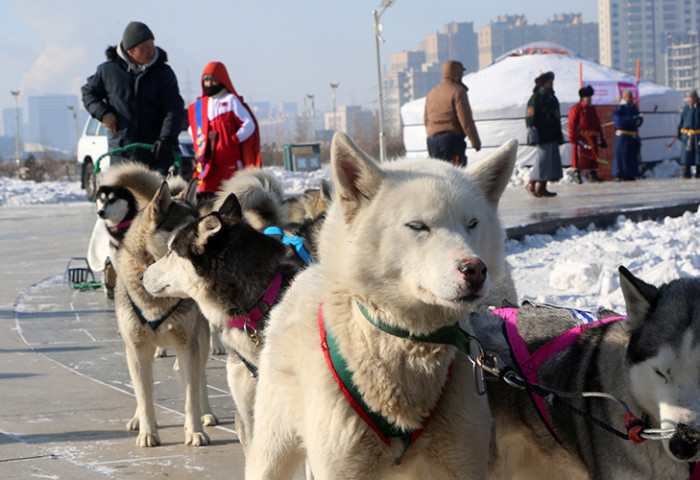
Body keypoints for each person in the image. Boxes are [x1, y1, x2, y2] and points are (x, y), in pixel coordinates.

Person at [81, 21, 185, 175]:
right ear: (130, 50)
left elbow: (174, 109)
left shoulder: (163, 73)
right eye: (145, 47)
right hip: (122, 154)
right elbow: (88, 93)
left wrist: (167, 138)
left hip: (158, 153)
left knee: (161, 197)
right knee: (121, 198)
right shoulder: (107, 71)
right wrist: (103, 113)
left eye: (152, 45)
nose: (151, 50)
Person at [188, 62, 261, 193]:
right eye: (206, 81)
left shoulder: (231, 100)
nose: (209, 85)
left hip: (230, 161)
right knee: (205, 194)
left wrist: (232, 140)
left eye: (213, 81)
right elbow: (192, 129)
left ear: (221, 80)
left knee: (233, 195)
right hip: (208, 162)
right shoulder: (201, 105)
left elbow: (249, 125)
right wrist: (199, 142)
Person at [423, 60, 481, 167]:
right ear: (457, 73)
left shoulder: (432, 93)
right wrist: (476, 143)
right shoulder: (458, 92)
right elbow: (466, 121)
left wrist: (432, 134)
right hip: (451, 141)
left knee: (438, 173)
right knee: (456, 175)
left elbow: (426, 119)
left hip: (432, 142)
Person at [525, 71, 563, 197]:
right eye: (549, 82)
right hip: (542, 135)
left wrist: (558, 134)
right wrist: (533, 134)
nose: (551, 84)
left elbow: (556, 117)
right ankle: (531, 183)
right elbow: (530, 117)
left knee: (551, 161)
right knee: (542, 160)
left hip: (552, 134)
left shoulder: (552, 98)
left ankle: (542, 187)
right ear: (544, 84)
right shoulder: (536, 98)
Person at [567, 85, 607, 184]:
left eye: (590, 96)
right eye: (587, 97)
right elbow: (571, 124)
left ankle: (593, 175)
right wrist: (573, 137)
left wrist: (601, 140)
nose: (589, 99)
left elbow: (597, 125)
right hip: (581, 138)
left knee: (593, 157)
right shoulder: (576, 108)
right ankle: (577, 175)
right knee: (579, 158)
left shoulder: (592, 109)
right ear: (582, 97)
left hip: (592, 137)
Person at [612, 90, 643, 181]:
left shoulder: (633, 108)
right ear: (625, 98)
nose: (630, 99)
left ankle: (631, 173)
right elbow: (619, 122)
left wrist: (638, 121)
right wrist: (632, 120)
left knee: (632, 157)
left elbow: (639, 117)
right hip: (622, 137)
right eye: (629, 97)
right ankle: (620, 173)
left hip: (632, 137)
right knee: (622, 156)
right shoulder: (620, 109)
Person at [677, 89, 700, 179]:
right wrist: (679, 132)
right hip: (687, 135)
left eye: (690, 98)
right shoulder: (686, 108)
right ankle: (686, 171)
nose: (688, 100)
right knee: (686, 155)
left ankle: (699, 171)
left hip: (698, 135)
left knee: (698, 154)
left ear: (695, 98)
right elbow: (682, 121)